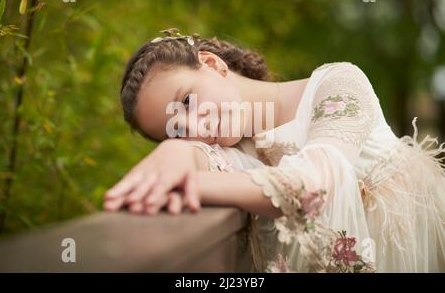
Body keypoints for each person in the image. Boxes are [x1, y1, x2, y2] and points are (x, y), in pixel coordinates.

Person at [104, 28, 445, 273]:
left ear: (212, 64)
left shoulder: (338, 84)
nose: (195, 128)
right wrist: (178, 154)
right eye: (175, 132)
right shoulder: (236, 151)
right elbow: (203, 159)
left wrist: (186, 173)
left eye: (188, 102)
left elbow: (314, 184)